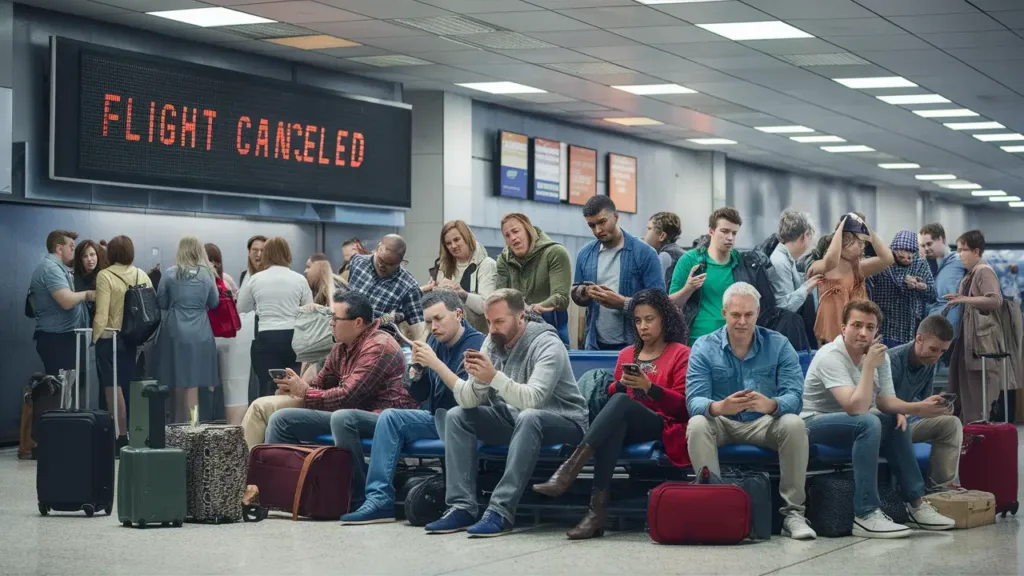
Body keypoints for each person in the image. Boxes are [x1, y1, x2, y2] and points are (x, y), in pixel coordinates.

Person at [424, 289, 588, 537]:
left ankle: (500, 511)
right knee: (457, 416)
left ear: (521, 317)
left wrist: (493, 377)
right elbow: (469, 399)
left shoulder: (547, 344)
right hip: (514, 418)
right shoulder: (492, 341)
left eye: (499, 321)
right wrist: (473, 380)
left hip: (565, 420)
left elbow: (533, 399)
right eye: (489, 322)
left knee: (529, 416)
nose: (492, 329)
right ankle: (462, 507)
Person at [533, 289, 689, 539]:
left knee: (619, 405)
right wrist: (624, 384)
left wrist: (649, 387)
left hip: (662, 423)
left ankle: (569, 472)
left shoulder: (680, 353)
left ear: (664, 319)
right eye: (638, 321)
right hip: (625, 422)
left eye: (649, 319)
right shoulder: (628, 354)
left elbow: (682, 408)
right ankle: (595, 514)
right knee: (615, 418)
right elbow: (614, 390)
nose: (643, 327)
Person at [802, 300, 956, 538]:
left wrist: (914, 409)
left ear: (876, 331)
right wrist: (867, 368)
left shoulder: (878, 356)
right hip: (815, 423)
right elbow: (856, 407)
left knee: (894, 419)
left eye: (870, 327)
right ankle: (866, 514)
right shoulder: (829, 356)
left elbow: (886, 401)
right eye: (856, 325)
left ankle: (916, 504)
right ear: (843, 328)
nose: (863, 333)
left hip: (852, 422)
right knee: (870, 421)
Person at [262, 291, 419, 507]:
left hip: (385, 419)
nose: (331, 323)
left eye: (336, 318)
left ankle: (354, 496)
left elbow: (347, 396)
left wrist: (304, 392)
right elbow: (319, 383)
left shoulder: (379, 346)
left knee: (342, 418)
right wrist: (294, 388)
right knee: (281, 420)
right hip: (351, 415)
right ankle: (287, 493)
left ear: (357, 322)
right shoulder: (341, 347)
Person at [684, 282, 815, 540]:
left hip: (764, 422)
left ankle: (793, 514)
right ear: (724, 314)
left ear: (758, 313)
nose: (742, 321)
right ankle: (714, 508)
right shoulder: (703, 346)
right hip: (721, 421)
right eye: (735, 315)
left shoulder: (778, 344)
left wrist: (772, 405)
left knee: (794, 424)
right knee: (698, 424)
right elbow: (694, 400)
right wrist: (719, 407)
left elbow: (795, 396)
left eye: (748, 315)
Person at [341, 290, 484, 524]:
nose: (433, 327)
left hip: (464, 420)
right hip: (436, 417)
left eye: (438, 319)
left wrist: (435, 364)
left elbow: (465, 396)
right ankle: (378, 500)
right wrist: (416, 372)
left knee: (441, 415)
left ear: (458, 314)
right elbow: (420, 394)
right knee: (390, 417)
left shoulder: (476, 344)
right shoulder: (434, 342)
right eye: (428, 322)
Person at [670, 207, 775, 345]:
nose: (730, 238)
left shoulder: (743, 263)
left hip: (736, 341)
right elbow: (671, 304)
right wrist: (688, 289)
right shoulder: (690, 260)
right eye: (725, 231)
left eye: (734, 233)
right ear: (711, 231)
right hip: (698, 340)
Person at [572, 196, 665, 351]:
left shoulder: (644, 253)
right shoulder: (585, 254)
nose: (598, 230)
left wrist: (624, 303)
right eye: (592, 225)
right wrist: (583, 292)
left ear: (615, 217)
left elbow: (660, 301)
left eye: (602, 222)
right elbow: (576, 291)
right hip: (595, 344)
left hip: (636, 345)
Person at [888, 315, 963, 490]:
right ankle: (915, 492)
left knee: (951, 424)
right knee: (897, 421)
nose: (937, 356)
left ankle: (941, 489)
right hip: (886, 424)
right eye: (934, 349)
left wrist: (938, 408)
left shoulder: (929, 362)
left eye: (943, 351)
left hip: (908, 421)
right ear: (919, 339)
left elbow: (923, 402)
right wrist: (920, 409)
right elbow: (881, 403)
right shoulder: (891, 361)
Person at [237, 237, 313, 399]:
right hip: (294, 339)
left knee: (268, 387)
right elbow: (309, 310)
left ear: (267, 255)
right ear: (287, 254)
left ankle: (268, 420)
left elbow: (241, 308)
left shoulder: (255, 279)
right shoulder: (299, 279)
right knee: (293, 386)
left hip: (266, 338)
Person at [93, 235, 150, 447]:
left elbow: (101, 313)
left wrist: (94, 337)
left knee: (111, 387)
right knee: (125, 386)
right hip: (131, 339)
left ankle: (119, 436)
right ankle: (130, 434)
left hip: (109, 338)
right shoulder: (141, 274)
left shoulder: (104, 276)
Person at [156, 236, 221, 422]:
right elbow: (214, 302)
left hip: (175, 330)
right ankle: (193, 425)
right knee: (193, 381)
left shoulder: (170, 274)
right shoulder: (207, 274)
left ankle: (177, 425)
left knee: (177, 379)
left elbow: (161, 301)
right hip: (201, 331)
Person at [945, 230, 1005, 424]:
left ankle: (977, 438)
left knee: (976, 396)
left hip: (980, 346)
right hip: (967, 341)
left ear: (976, 251)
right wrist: (960, 298)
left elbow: (995, 300)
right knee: (962, 391)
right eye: (959, 250)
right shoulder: (970, 274)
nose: (959, 254)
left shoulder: (983, 271)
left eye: (964, 250)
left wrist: (965, 299)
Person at [809, 214, 894, 345]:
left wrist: (867, 230)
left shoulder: (858, 268)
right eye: (860, 243)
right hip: (831, 341)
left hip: (858, 338)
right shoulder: (820, 266)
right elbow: (831, 260)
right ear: (845, 241)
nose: (863, 247)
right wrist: (843, 226)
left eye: (864, 243)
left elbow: (888, 258)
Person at [495, 213, 573, 345]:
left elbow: (561, 297)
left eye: (515, 231)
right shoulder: (503, 260)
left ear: (528, 230)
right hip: (516, 337)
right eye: (507, 235)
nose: (513, 238)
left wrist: (535, 309)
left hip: (551, 335)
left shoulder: (555, 252)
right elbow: (500, 298)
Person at [29, 230, 94, 375]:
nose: (74, 250)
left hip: (61, 338)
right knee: (62, 390)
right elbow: (67, 301)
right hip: (57, 339)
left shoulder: (57, 268)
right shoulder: (51, 269)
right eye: (71, 246)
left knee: (66, 390)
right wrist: (89, 294)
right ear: (59, 248)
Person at [422, 220, 497, 335]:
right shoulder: (441, 266)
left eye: (457, 240)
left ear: (467, 237)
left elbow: (487, 306)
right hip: (444, 333)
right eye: (448, 243)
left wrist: (462, 294)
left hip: (476, 333)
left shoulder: (487, 265)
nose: (453, 246)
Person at [346, 234, 426, 338]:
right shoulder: (357, 262)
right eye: (380, 260)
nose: (381, 266)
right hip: (346, 336)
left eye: (389, 264)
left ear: (401, 262)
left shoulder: (409, 287)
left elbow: (420, 331)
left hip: (376, 345)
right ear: (378, 248)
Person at [205, 243, 249, 425]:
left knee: (204, 386)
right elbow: (238, 307)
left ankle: (202, 426)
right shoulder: (227, 280)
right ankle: (234, 430)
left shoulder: (199, 280)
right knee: (232, 387)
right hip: (229, 336)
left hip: (207, 334)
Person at [868, 231, 936, 346]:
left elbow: (933, 296)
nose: (907, 256)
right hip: (883, 330)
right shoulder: (883, 263)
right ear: (893, 249)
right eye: (901, 252)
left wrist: (922, 287)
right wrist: (905, 281)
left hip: (909, 331)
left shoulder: (920, 264)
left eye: (910, 252)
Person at [767, 210, 820, 313]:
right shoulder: (780, 261)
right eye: (810, 237)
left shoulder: (786, 258)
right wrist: (806, 288)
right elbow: (784, 307)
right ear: (805, 236)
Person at [919, 223, 967, 335]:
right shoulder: (924, 266)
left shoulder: (959, 260)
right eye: (923, 245)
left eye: (929, 244)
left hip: (952, 328)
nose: (926, 248)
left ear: (941, 240)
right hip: (931, 327)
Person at [643, 211, 685, 288]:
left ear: (662, 236)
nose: (644, 236)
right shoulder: (680, 252)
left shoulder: (665, 256)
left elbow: (658, 291)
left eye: (649, 229)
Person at [73, 239, 108, 324]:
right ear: (80, 259)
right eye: (85, 256)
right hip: (81, 325)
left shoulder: (105, 275)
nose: (89, 259)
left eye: (92, 254)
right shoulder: (74, 278)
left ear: (97, 256)